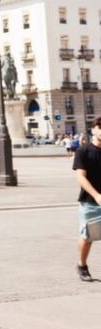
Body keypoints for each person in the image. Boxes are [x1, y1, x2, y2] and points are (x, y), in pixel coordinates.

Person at [73, 117, 101, 282]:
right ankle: (82, 265)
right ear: (94, 130)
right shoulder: (83, 151)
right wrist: (97, 195)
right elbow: (81, 177)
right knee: (88, 236)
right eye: (100, 127)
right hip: (90, 201)